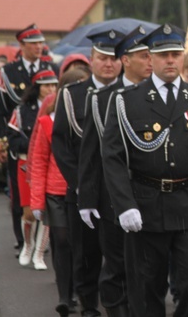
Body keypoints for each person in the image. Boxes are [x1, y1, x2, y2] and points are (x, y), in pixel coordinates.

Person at [101, 24, 188, 317]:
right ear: (150, 58)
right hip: (147, 204)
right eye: (163, 55)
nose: (171, 60)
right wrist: (124, 205)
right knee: (146, 286)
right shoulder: (127, 101)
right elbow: (113, 157)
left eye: (175, 54)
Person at [77, 25, 152, 317]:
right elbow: (91, 154)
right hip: (112, 197)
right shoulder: (103, 98)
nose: (150, 61)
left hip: (150, 194)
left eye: (151, 55)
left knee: (147, 265)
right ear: (126, 60)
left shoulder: (156, 95)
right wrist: (87, 199)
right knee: (117, 265)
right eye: (143, 56)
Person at [53, 29, 123, 317]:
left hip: (120, 191)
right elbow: (62, 144)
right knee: (85, 252)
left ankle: (119, 302)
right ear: (91, 60)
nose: (108, 64)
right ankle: (88, 304)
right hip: (83, 188)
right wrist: (81, 184)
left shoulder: (130, 94)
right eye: (102, 58)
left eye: (113, 59)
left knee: (120, 254)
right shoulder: (73, 95)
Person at [0, 24, 57, 254]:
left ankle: (43, 241)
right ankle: (23, 240)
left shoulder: (51, 68)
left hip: (48, 139)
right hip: (19, 138)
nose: (39, 47)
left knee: (47, 191)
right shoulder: (9, 71)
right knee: (19, 193)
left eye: (41, 42)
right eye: (33, 43)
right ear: (22, 45)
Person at [28, 86, 73, 315]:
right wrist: (36, 201)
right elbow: (39, 160)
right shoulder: (47, 121)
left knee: (81, 245)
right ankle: (65, 295)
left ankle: (80, 290)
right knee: (62, 240)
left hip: (78, 191)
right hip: (55, 192)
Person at [7, 68, 58, 270]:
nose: (50, 89)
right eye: (46, 85)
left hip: (51, 165)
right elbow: (12, 139)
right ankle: (27, 246)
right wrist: (34, 147)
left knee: (48, 212)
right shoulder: (21, 111)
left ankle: (39, 254)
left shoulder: (59, 108)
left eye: (54, 85)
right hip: (25, 163)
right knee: (29, 212)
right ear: (36, 88)